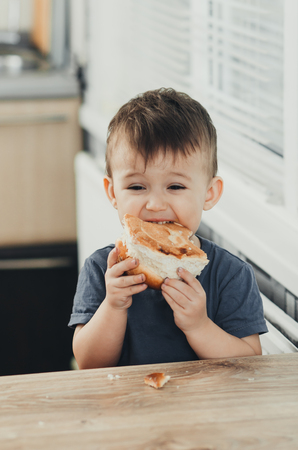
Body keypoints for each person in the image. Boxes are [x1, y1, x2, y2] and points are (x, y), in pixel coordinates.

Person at [69, 88, 268, 369]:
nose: (154, 204)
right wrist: (113, 306)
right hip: (129, 406)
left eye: (175, 186)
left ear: (209, 194)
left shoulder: (230, 274)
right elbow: (90, 364)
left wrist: (199, 326)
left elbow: (250, 363)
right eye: (137, 187)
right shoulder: (103, 270)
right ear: (113, 193)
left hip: (206, 409)